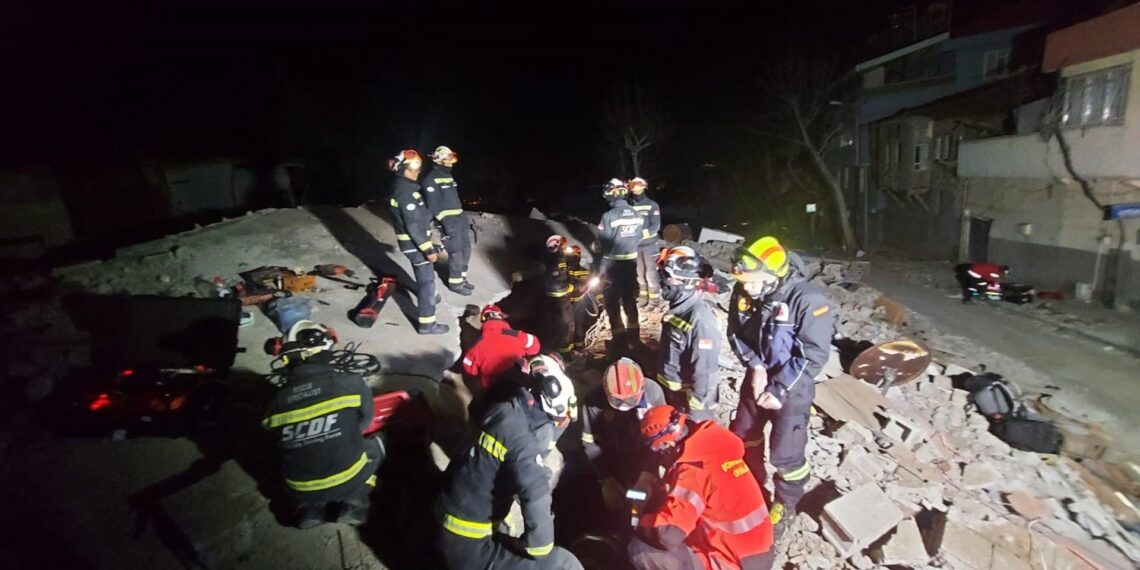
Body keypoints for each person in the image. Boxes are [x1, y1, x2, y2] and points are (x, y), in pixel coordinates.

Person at [726, 236, 834, 538]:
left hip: (792, 388)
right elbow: (735, 332)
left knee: (786, 456)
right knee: (743, 436)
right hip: (757, 378)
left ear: (773, 275)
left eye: (752, 281)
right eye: (742, 281)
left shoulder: (808, 301)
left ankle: (786, 505)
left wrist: (778, 389)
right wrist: (756, 366)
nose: (746, 288)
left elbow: (813, 356)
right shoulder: (746, 289)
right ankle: (750, 487)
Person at [436, 355, 583, 570]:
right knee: (564, 563)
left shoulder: (501, 410)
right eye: (558, 421)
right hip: (466, 548)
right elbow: (539, 546)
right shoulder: (520, 441)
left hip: (448, 520)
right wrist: (536, 546)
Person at [262, 320, 384, 528]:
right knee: (377, 444)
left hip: (298, 487)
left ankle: (308, 509)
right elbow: (364, 423)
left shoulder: (272, 401)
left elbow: (273, 444)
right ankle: (355, 502)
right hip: (349, 477)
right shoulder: (350, 383)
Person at [631, 405, 774, 570]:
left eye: (657, 448)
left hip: (734, 561)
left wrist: (642, 522)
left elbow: (669, 535)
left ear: (668, 444)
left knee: (640, 551)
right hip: (759, 549)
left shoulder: (693, 472)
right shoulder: (711, 446)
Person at [580, 358, 667, 513]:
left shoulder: (653, 392)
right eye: (618, 401)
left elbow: (661, 438)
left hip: (645, 454)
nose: (625, 406)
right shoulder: (594, 399)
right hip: (613, 456)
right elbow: (590, 441)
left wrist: (647, 475)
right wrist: (606, 479)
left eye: (631, 399)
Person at [656, 248, 722, 422]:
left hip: (686, 404)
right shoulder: (679, 309)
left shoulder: (700, 319)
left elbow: (705, 370)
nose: (664, 282)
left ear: (687, 282)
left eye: (669, 277)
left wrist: (697, 412)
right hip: (669, 393)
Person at [388, 149, 448, 335]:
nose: (416, 172)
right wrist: (428, 250)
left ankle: (429, 298)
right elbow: (414, 226)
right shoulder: (405, 194)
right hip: (415, 246)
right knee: (427, 283)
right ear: (401, 170)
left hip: (415, 243)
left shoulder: (407, 189)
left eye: (417, 169)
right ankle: (427, 324)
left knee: (425, 280)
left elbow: (419, 217)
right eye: (412, 169)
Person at [594, 178, 646, 351]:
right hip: (630, 264)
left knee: (612, 303)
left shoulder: (608, 216)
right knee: (630, 302)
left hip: (611, 266)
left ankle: (619, 340)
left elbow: (603, 242)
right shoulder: (637, 214)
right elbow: (639, 238)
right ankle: (635, 339)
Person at [422, 145, 475, 295]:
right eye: (449, 159)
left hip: (459, 218)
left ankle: (462, 278)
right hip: (448, 221)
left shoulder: (448, 177)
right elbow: (434, 205)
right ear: (439, 160)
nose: (452, 162)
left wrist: (461, 217)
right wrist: (445, 222)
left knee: (466, 249)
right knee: (456, 252)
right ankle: (455, 284)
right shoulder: (430, 180)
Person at [462, 304, 542, 391]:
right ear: (500, 316)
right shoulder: (516, 335)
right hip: (519, 383)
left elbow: (469, 368)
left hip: (492, 389)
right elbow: (536, 347)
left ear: (484, 320)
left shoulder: (476, 344)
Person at [627, 177, 663, 310]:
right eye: (634, 188)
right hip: (635, 246)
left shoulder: (652, 205)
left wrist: (638, 235)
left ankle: (654, 301)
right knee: (639, 273)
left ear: (644, 188)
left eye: (639, 187)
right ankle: (643, 298)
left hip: (649, 245)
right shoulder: (628, 206)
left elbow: (655, 227)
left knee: (651, 273)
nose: (636, 190)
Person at [539, 235, 575, 356]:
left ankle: (553, 349)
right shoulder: (557, 262)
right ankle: (566, 354)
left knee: (555, 323)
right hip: (560, 297)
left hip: (553, 296)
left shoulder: (554, 258)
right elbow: (558, 281)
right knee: (564, 324)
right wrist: (571, 288)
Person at [567, 245, 604, 352]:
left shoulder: (585, 272)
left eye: (576, 255)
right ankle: (568, 351)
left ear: (579, 256)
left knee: (579, 326)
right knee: (568, 327)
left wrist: (600, 300)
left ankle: (579, 348)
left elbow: (593, 288)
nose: (574, 257)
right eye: (572, 255)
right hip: (566, 304)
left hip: (580, 303)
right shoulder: (564, 271)